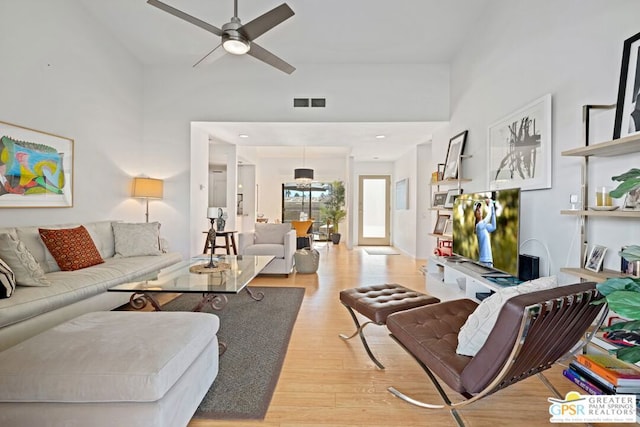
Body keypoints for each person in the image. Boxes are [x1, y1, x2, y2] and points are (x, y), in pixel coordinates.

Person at [474, 199, 497, 267]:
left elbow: (493, 226)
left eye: (479, 209)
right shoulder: (479, 226)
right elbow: (488, 216)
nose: (479, 211)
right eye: (477, 210)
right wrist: (490, 204)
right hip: (484, 262)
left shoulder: (484, 227)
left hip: (488, 262)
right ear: (475, 214)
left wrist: (492, 208)